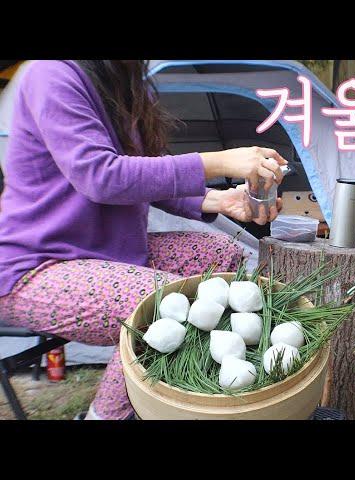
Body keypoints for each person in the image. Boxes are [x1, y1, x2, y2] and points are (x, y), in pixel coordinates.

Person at [0, 60, 288, 419]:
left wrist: (219, 200)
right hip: (35, 267)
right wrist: (220, 161)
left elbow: (141, 175)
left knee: (220, 255)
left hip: (106, 252)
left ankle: (195, 394)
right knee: (166, 306)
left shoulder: (122, 82)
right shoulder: (53, 73)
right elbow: (102, 175)